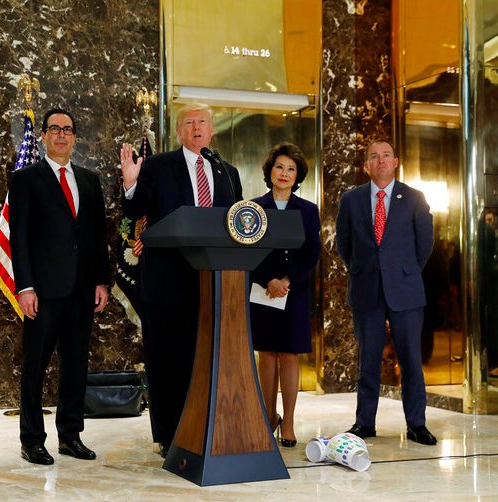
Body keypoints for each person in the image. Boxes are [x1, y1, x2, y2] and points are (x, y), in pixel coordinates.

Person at [120, 103, 243, 457]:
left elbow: (237, 223)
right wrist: (131, 184)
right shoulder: (159, 166)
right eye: (188, 123)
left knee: (205, 360)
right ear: (178, 132)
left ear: (212, 128)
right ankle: (170, 434)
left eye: (202, 121)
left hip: (214, 281)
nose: (196, 127)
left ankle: (206, 427)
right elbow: (136, 209)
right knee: (166, 362)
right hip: (166, 282)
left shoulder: (227, 172)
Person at [9, 108, 110, 465]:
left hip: (82, 291)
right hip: (43, 291)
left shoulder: (89, 180)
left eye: (68, 130)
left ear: (75, 137)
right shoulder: (26, 178)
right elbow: (18, 239)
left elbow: (98, 236)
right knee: (35, 366)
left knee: (75, 367)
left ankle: (70, 436)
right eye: (54, 129)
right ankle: (32, 440)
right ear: (44, 136)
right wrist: (25, 287)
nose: (61, 135)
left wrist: (102, 280)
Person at [336, 138, 437, 445]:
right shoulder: (351, 199)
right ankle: (364, 423)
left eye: (386, 155)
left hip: (405, 290)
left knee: (410, 360)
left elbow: (425, 244)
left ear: (395, 162)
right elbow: (344, 244)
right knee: (367, 360)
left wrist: (402, 271)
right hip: (367, 289)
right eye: (373, 156)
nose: (380, 160)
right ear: (366, 164)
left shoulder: (415, 198)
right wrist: (363, 268)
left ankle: (417, 424)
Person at [249, 142, 321, 448]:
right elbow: (247, 249)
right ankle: (269, 416)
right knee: (267, 353)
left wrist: (288, 281)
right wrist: (269, 280)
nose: (284, 173)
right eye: (279, 167)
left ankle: (289, 423)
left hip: (295, 290)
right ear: (270, 171)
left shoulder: (308, 210)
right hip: (263, 290)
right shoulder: (253, 207)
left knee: (289, 355)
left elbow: (312, 252)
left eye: (291, 169)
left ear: (298, 175)